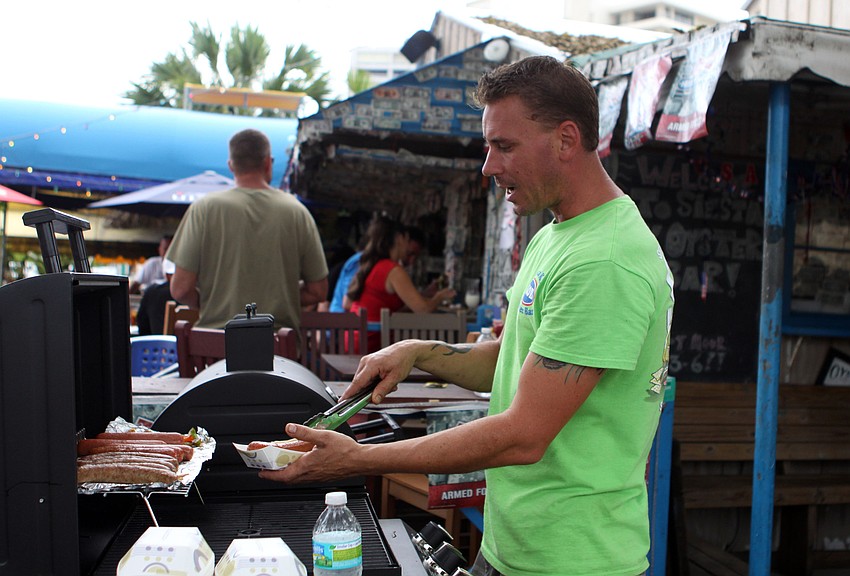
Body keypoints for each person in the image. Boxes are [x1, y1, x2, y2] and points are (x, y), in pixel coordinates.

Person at [259, 56, 675, 576]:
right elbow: (511, 360)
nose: (488, 166)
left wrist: (360, 459)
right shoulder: (554, 236)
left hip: (573, 560)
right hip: (515, 547)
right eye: (487, 146)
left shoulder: (605, 260)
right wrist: (417, 354)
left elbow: (525, 434)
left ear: (566, 140)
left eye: (504, 146)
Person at [167, 129, 328, 337]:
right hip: (277, 349)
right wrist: (279, 296)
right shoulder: (296, 211)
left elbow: (180, 289)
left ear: (231, 166)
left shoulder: (204, 209)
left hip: (214, 346)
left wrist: (211, 300)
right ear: (268, 163)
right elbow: (318, 291)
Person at [345, 215, 456, 352]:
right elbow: (423, 310)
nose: (407, 246)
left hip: (355, 340)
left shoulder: (374, 265)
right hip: (371, 346)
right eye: (407, 239)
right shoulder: (393, 270)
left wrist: (425, 295)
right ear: (399, 238)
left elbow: (349, 304)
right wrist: (440, 296)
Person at [136, 258, 175, 335]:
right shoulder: (196, 293)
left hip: (158, 345)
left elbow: (142, 327)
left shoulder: (152, 292)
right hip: (192, 345)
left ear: (166, 275)